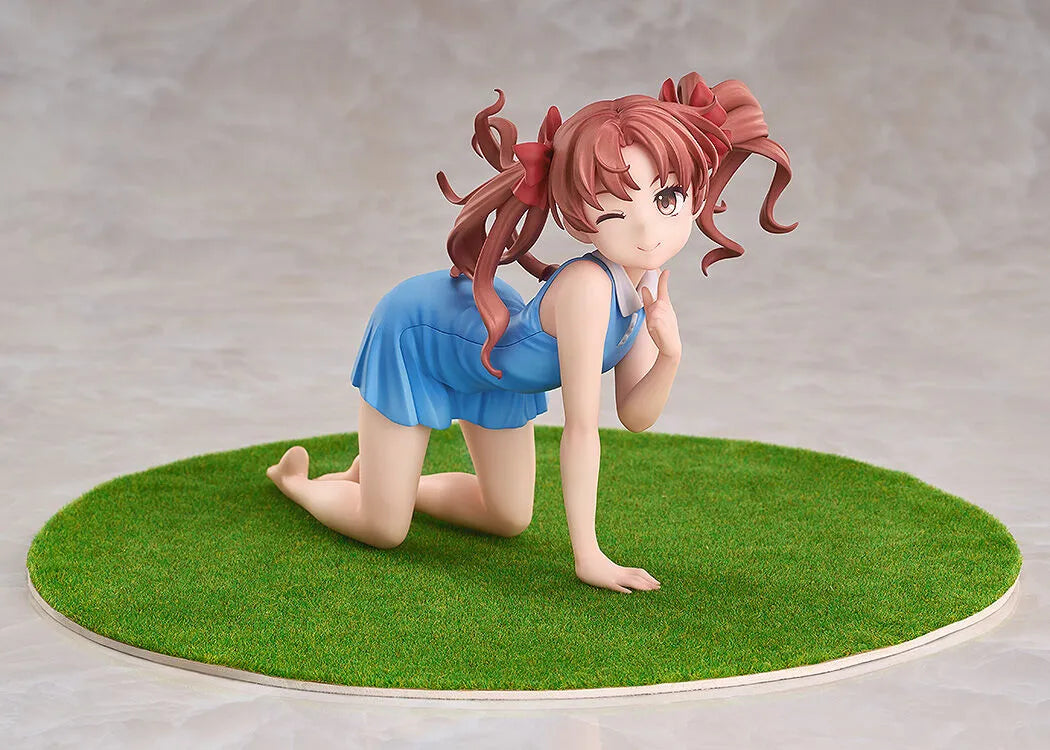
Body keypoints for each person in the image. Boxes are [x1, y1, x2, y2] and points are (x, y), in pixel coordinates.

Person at [266, 72, 796, 594]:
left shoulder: (645, 284)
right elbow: (581, 430)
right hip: (423, 337)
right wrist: (589, 557)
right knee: (384, 529)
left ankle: (383, 476)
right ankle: (298, 482)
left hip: (497, 374)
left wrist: (670, 354)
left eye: (666, 199)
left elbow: (635, 416)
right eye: (614, 211)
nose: (646, 230)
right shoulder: (589, 289)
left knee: (506, 517)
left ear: (693, 194)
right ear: (577, 219)